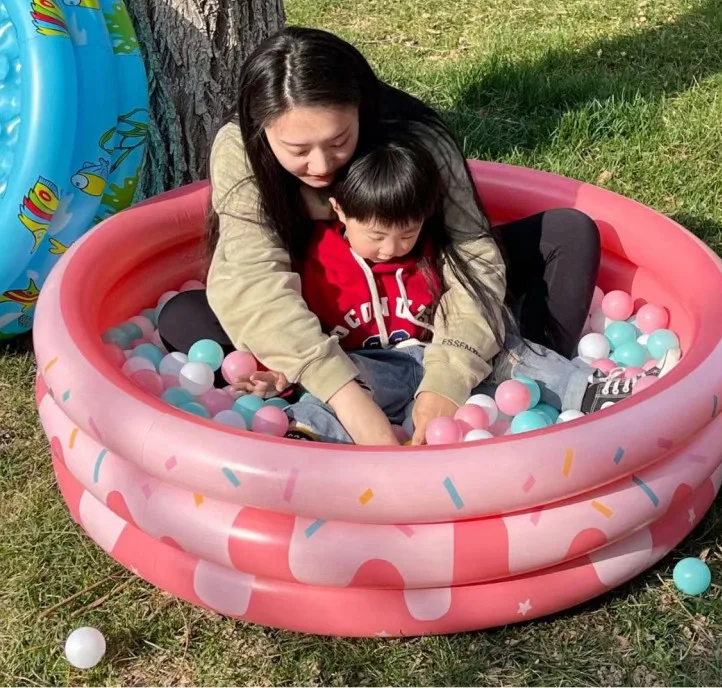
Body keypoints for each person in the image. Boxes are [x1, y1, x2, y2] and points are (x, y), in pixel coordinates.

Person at [158, 26, 603, 447]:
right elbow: (252, 277)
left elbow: (473, 253)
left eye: (339, 141)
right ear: (263, 134)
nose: (320, 166)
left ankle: (522, 382)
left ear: (362, 111)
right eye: (297, 151)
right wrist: (346, 397)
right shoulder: (241, 150)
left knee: (567, 232)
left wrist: (449, 378)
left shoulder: (414, 139)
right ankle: (309, 398)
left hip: (420, 305)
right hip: (327, 319)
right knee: (185, 317)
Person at [229, 126, 677, 444]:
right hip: (368, 368)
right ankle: (305, 436)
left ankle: (592, 391)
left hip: (442, 359)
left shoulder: (432, 253)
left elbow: (465, 315)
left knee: (509, 348)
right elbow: (293, 326)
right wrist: (285, 375)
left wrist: (458, 363)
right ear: (339, 213)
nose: (391, 249)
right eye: (377, 236)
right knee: (341, 385)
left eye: (406, 234)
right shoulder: (317, 261)